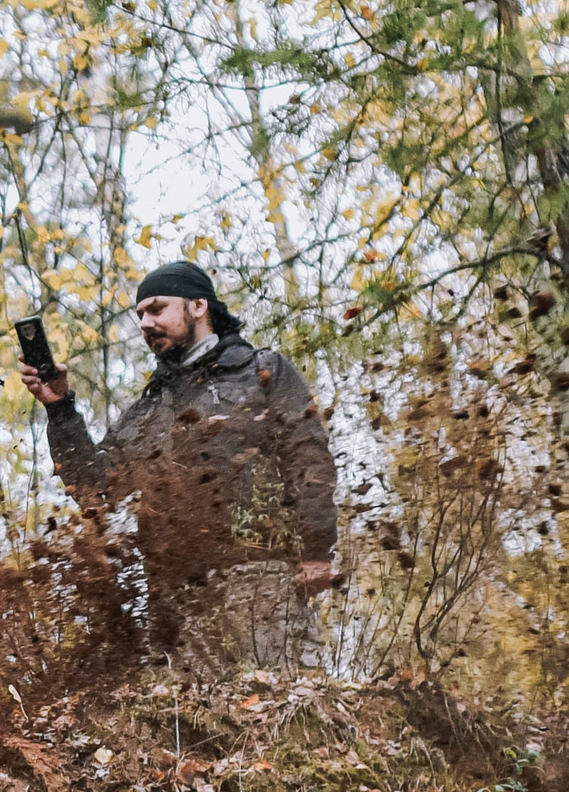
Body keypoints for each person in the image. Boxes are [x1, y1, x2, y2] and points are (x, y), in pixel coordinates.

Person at [20, 261, 338, 661]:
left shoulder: (263, 371)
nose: (145, 323)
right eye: (139, 315)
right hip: (176, 599)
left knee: (280, 710)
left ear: (198, 306)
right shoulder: (150, 408)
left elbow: (309, 460)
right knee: (193, 722)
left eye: (156, 309)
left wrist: (315, 551)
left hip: (262, 576)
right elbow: (93, 489)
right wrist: (60, 409)